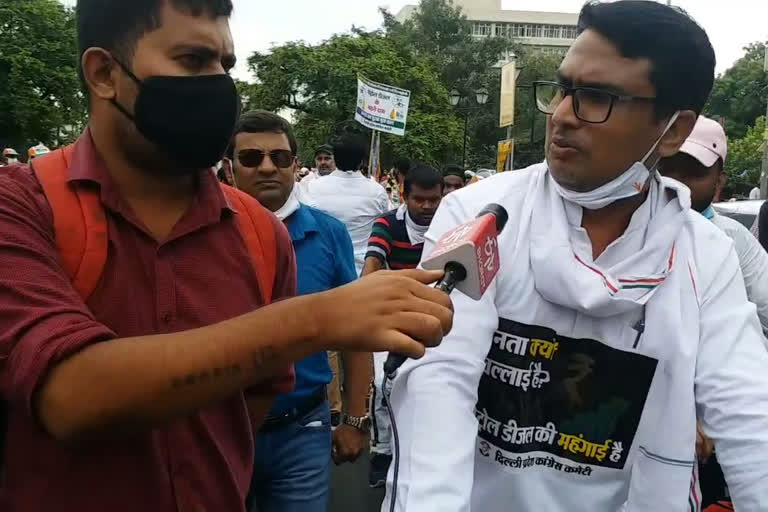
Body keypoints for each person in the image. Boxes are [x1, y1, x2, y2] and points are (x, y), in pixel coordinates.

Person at [0, 2, 453, 511]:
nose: (219, 85)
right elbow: (68, 395)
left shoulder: (259, 233)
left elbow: (249, 406)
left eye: (226, 66)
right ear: (104, 73)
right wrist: (318, 318)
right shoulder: (20, 206)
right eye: (194, 61)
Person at [384, 2, 768, 511]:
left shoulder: (703, 254)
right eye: (564, 89)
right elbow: (439, 381)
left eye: (596, 97)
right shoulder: (481, 215)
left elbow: (747, 412)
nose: (563, 115)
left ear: (672, 130)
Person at [229, 111, 372, 512]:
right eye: (252, 158)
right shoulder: (203, 236)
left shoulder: (328, 233)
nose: (268, 167)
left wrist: (355, 418)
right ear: (229, 166)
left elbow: (355, 332)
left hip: (302, 430)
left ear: (296, 163)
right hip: (219, 432)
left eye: (280, 156)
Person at [362, 163, 444, 488]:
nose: (427, 207)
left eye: (433, 200)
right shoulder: (387, 224)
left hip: (439, 316)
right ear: (404, 196)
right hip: (394, 313)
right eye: (419, 200)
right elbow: (372, 264)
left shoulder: (452, 223)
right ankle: (382, 453)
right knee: (385, 385)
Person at [660, 116, 768, 337]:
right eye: (667, 169)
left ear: (719, 181)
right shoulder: (620, 225)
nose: (677, 184)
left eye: (693, 173)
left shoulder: (734, 239)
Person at [301, 135, 391, 275]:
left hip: (325, 269)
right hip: (364, 272)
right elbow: (386, 225)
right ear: (362, 161)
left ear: (335, 159)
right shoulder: (377, 191)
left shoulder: (312, 187)